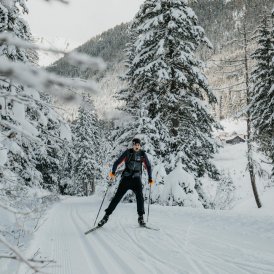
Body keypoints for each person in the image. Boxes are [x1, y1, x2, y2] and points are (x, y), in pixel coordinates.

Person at [98, 138, 154, 227]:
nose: (137, 146)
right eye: (135, 145)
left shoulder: (142, 154)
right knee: (117, 197)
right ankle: (106, 216)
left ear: (140, 146)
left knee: (140, 197)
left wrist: (150, 178)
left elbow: (148, 166)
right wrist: (113, 173)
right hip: (126, 179)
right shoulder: (128, 152)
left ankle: (141, 218)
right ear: (133, 145)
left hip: (136, 179)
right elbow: (117, 162)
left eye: (139, 145)